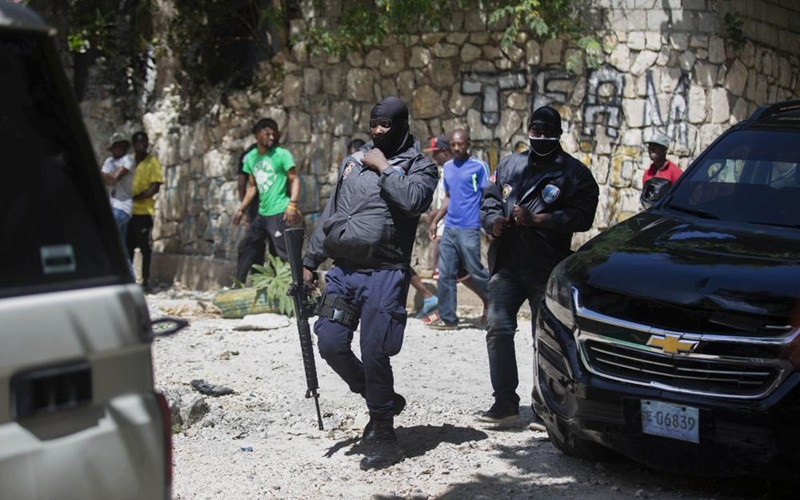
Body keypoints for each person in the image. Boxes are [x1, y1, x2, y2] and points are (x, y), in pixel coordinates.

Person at [302, 96, 437, 470]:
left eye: (385, 126)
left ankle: (383, 430)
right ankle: (382, 398)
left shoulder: (419, 167)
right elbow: (332, 212)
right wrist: (310, 261)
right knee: (329, 341)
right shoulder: (352, 161)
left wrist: (385, 168)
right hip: (345, 271)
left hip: (385, 271)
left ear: (402, 125)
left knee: (375, 348)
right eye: (373, 125)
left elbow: (413, 202)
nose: (377, 132)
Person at [478, 105, 599, 429]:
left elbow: (582, 216)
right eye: (536, 131)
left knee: (545, 338)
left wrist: (538, 220)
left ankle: (547, 406)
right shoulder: (509, 164)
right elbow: (489, 200)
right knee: (497, 329)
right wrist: (493, 223)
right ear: (528, 130)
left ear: (558, 133)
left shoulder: (574, 173)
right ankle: (505, 403)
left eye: (547, 132)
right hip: (506, 265)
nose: (540, 137)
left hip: (546, 268)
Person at [426, 129, 490, 330]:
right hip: (450, 227)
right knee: (445, 273)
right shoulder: (448, 167)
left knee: (475, 269)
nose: (456, 148)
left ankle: (500, 306)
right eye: (453, 145)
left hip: (469, 227)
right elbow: (448, 197)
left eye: (460, 144)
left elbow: (487, 196)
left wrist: (489, 224)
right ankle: (448, 319)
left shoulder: (479, 166)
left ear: (468, 143)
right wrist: (437, 220)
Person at [233, 118, 301, 284]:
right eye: (267, 133)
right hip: (262, 214)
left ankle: (294, 290)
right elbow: (252, 187)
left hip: (279, 210)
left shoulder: (282, 154)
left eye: (273, 134)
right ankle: (238, 284)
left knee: (282, 253)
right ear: (257, 135)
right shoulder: (250, 158)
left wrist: (292, 205)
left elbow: (295, 180)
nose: (271, 137)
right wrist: (241, 209)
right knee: (246, 246)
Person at [126, 131, 163, 292]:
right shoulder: (128, 161)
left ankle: (145, 280)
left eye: (145, 142)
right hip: (127, 212)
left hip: (143, 212)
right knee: (127, 246)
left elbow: (155, 187)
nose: (143, 145)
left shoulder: (152, 162)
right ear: (134, 144)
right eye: (140, 142)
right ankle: (128, 279)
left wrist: (136, 198)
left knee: (144, 247)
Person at [101, 132, 136, 252]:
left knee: (106, 228)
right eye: (117, 145)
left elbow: (114, 179)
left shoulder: (128, 159)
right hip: (113, 205)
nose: (120, 148)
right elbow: (105, 181)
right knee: (121, 248)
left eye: (122, 145)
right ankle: (128, 270)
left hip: (123, 206)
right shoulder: (109, 161)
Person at [237, 142, 260, 224]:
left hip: (255, 204)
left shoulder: (247, 154)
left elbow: (241, 184)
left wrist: (244, 206)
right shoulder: (276, 152)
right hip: (275, 203)